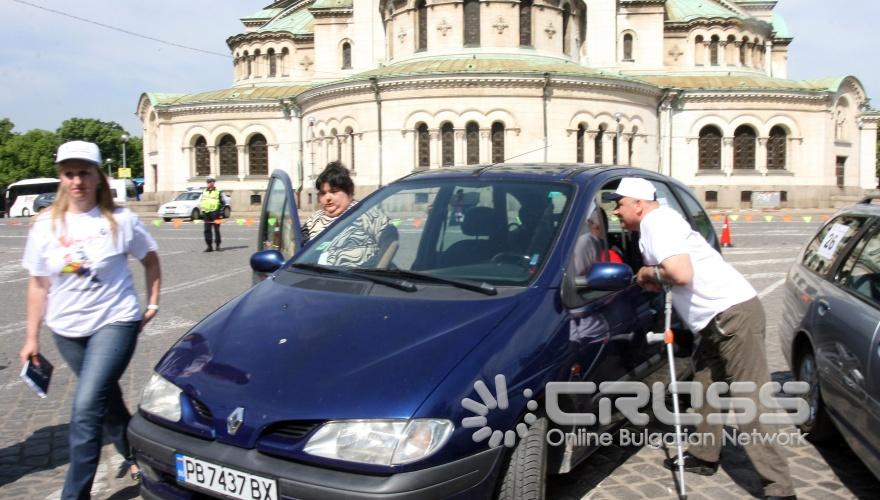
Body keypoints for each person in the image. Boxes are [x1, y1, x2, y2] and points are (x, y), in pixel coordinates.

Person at [609, 177, 796, 500]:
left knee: (749, 401)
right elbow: (677, 275)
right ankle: (704, 455)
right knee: (706, 383)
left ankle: (780, 488)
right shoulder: (656, 225)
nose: (615, 212)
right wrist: (658, 279)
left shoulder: (658, 222)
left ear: (638, 203)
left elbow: (681, 273)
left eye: (620, 204)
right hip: (716, 320)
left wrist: (646, 274)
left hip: (732, 316)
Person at [19, 140, 162, 499]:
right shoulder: (45, 225)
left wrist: (153, 304)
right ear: (61, 178)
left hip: (114, 321)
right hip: (65, 330)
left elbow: (151, 259)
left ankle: (75, 495)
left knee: (85, 408)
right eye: (69, 173)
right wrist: (31, 338)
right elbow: (38, 284)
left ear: (98, 176)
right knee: (105, 398)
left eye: (84, 172)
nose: (77, 181)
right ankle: (136, 454)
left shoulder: (121, 221)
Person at [301, 162, 357, 242]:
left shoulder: (360, 215)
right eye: (323, 193)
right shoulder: (314, 219)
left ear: (349, 193)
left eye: (334, 192)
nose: (327, 198)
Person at [199, 176, 224, 252]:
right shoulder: (204, 191)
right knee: (207, 230)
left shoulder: (218, 191)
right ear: (207, 183)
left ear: (214, 183)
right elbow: (202, 201)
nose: (210, 183)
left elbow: (222, 203)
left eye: (212, 182)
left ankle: (218, 246)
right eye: (209, 182)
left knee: (217, 230)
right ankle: (209, 246)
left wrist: (219, 212)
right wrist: (203, 211)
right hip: (206, 213)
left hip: (215, 213)